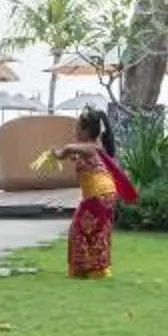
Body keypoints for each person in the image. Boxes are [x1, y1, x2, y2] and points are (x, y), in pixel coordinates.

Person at [58, 109, 137, 280]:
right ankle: (94, 269)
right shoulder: (91, 148)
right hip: (105, 194)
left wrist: (58, 154)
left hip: (98, 194)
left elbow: (68, 148)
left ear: (87, 132)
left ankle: (88, 270)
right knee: (96, 231)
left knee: (78, 230)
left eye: (78, 128)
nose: (75, 132)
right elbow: (78, 155)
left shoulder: (92, 146)